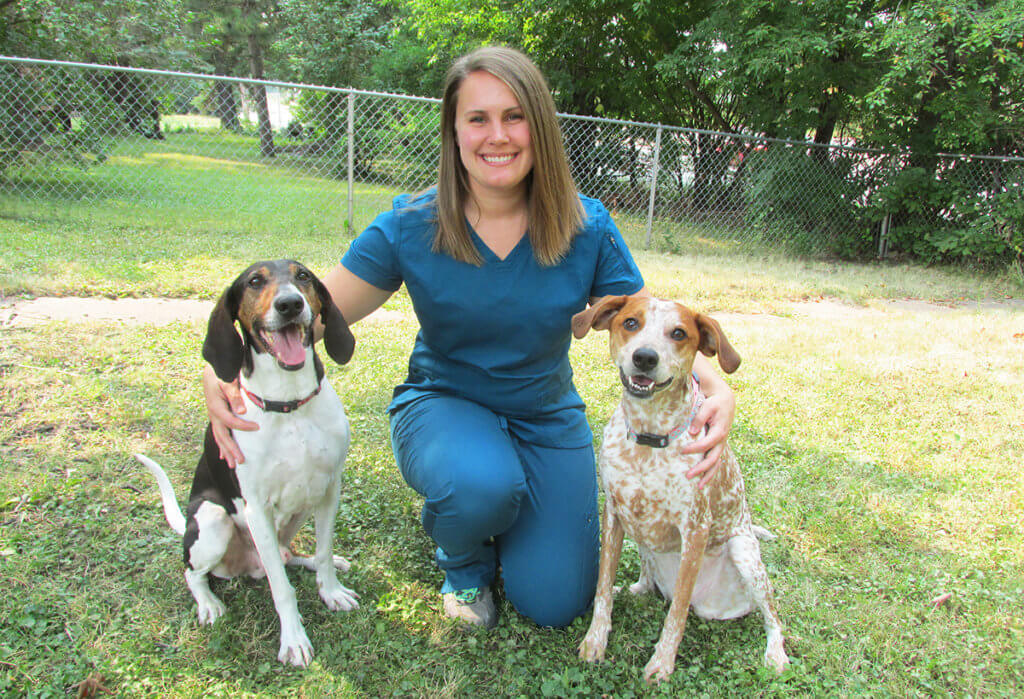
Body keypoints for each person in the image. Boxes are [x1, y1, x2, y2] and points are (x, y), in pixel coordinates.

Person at [203, 46, 736, 630]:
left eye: (514, 116)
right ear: (454, 131)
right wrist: (218, 374)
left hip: (546, 414)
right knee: (480, 482)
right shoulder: (410, 225)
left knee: (555, 602)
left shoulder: (587, 226)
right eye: (477, 118)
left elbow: (653, 323)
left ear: (540, 126)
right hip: (442, 406)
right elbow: (310, 312)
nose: (497, 135)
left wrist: (716, 391)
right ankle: (462, 555)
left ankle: (502, 515)